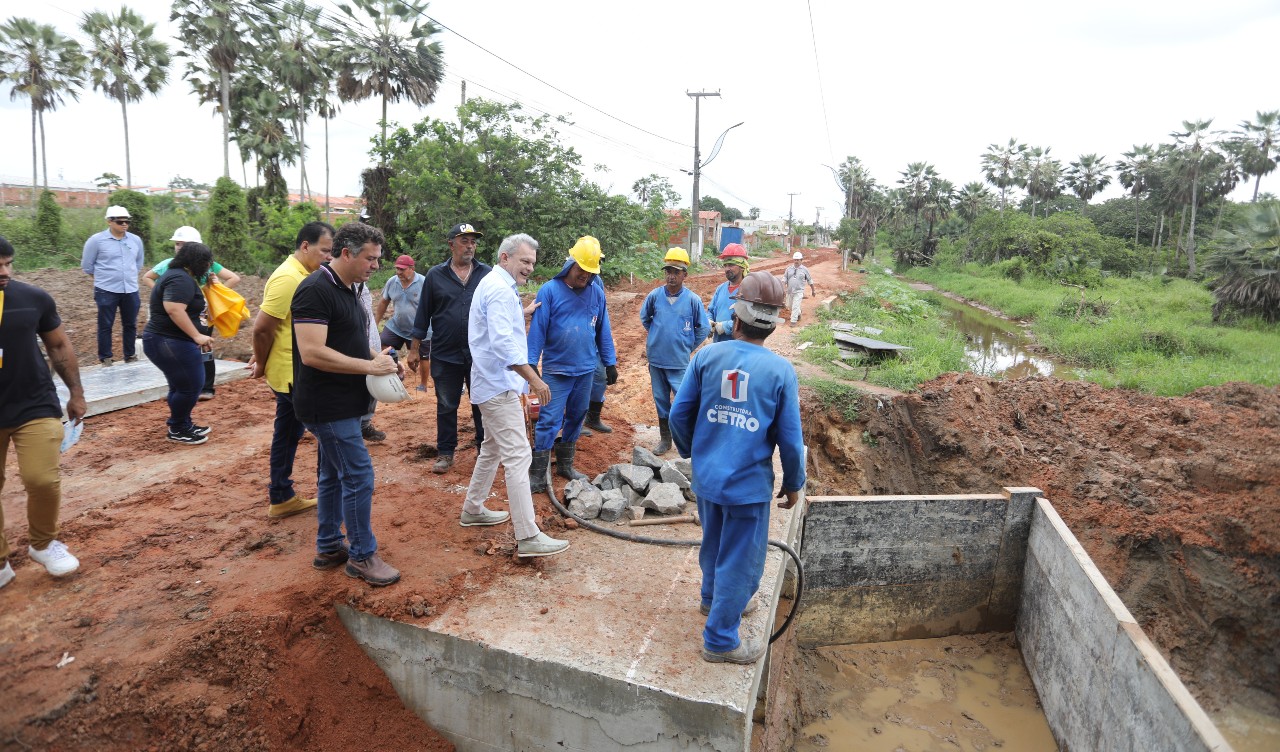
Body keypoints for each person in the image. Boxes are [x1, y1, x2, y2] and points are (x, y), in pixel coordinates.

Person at [669, 272, 805, 665]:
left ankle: (711, 601)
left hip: (708, 479)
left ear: (737, 317)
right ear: (774, 323)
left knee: (713, 543)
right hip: (747, 487)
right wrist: (793, 482)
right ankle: (721, 639)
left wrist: (695, 452)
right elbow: (790, 440)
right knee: (741, 561)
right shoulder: (780, 372)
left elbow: (679, 414)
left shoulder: (708, 356)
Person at [291, 220, 401, 586]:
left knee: (333, 475)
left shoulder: (353, 289)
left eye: (377, 259)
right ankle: (361, 556)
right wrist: (369, 364)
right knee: (358, 475)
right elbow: (312, 353)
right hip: (326, 404)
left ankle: (329, 546)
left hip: (345, 401)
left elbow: (351, 343)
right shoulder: (314, 290)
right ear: (346, 253)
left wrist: (379, 360)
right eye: (370, 259)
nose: (375, 266)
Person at [459, 233, 569, 557]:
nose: (529, 268)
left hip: (492, 383)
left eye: (532, 263)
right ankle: (528, 535)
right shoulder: (496, 288)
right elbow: (501, 343)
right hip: (498, 386)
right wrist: (535, 379)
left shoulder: (501, 286)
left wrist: (522, 312)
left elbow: (499, 327)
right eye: (524, 261)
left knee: (491, 449)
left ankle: (473, 509)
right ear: (505, 258)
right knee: (519, 455)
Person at [0, 235, 87, 589]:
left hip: (33, 402)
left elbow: (59, 344)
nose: (4, 272)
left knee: (41, 479)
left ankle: (44, 543)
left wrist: (76, 393)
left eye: (7, 263)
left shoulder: (32, 298)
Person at [248, 221, 334, 519]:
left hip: (291, 371)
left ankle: (281, 496)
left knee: (287, 432)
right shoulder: (289, 278)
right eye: (324, 250)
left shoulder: (305, 274)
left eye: (331, 252)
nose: (328, 257)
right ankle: (329, 498)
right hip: (293, 374)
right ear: (305, 245)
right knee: (329, 433)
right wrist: (260, 362)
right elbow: (262, 329)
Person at [525, 236, 617, 492]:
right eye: (581, 270)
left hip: (586, 370)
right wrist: (531, 362)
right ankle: (538, 474)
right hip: (557, 371)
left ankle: (565, 465)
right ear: (571, 264)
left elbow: (603, 330)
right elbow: (538, 329)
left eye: (590, 272)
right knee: (549, 419)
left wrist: (610, 362)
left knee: (577, 416)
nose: (585, 276)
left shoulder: (596, 293)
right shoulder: (550, 291)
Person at [407, 223, 490, 474]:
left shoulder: (486, 274)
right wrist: (413, 349)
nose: (470, 246)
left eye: (473, 241)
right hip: (445, 353)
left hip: (478, 355)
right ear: (451, 244)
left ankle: (483, 450)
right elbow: (423, 314)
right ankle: (445, 452)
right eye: (464, 240)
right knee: (446, 404)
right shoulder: (435, 275)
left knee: (481, 403)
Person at [143, 226, 242, 401]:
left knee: (204, 350)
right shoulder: (169, 265)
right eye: (178, 244)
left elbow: (234, 277)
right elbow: (148, 277)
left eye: (184, 244)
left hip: (202, 315)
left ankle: (206, 387)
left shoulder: (206, 265)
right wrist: (160, 294)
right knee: (181, 350)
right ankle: (182, 388)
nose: (180, 248)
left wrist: (214, 291)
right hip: (180, 315)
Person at [142, 242, 216, 445]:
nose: (208, 266)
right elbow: (174, 309)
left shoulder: (180, 276)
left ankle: (183, 423)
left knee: (181, 385)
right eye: (206, 262)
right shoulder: (179, 278)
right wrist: (197, 336)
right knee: (192, 385)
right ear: (196, 261)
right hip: (168, 341)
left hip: (168, 340)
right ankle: (177, 428)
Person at [640, 248, 710, 455]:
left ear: (684, 275)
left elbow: (703, 328)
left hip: (679, 362)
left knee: (683, 399)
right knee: (660, 399)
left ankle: (687, 439)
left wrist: (687, 345)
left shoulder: (692, 300)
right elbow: (645, 318)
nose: (671, 276)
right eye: (668, 271)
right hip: (656, 360)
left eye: (676, 272)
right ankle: (665, 439)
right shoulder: (654, 296)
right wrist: (657, 336)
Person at [82, 205, 146, 366]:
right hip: (106, 290)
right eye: (120, 221)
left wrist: (128, 276)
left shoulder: (135, 240)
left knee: (130, 324)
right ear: (109, 221)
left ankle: (130, 355)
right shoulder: (96, 241)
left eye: (127, 221)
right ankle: (106, 357)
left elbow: (138, 263)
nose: (124, 224)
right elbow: (88, 266)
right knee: (105, 325)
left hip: (130, 289)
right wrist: (104, 280)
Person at [375, 254, 429, 393]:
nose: (398, 272)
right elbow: (383, 302)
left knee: (423, 356)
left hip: (420, 329)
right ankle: (398, 367)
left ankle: (423, 384)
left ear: (412, 269)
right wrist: (375, 323)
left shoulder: (424, 282)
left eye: (402, 269)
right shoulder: (392, 282)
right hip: (397, 325)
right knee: (384, 343)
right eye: (397, 269)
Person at [707, 243, 749, 344]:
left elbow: (748, 320)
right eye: (725, 265)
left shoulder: (749, 289)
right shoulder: (720, 289)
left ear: (742, 267)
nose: (727, 269)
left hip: (738, 347)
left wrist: (724, 326)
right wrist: (709, 322)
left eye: (731, 265)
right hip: (718, 344)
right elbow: (710, 311)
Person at [783, 251, 816, 325]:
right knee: (790, 306)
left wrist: (813, 290)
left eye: (798, 260)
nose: (796, 261)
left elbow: (810, 280)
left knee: (795, 306)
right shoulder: (789, 269)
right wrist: (783, 288)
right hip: (789, 291)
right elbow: (784, 278)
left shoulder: (805, 270)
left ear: (801, 260)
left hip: (799, 291)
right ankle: (799, 313)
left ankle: (793, 321)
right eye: (795, 260)